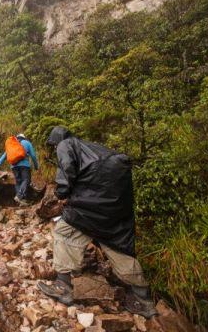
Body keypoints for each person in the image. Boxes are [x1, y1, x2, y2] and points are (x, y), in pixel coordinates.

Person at [37, 126, 157, 318]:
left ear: (57, 140)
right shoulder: (95, 147)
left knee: (64, 232)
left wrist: (62, 193)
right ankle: (144, 301)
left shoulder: (66, 144)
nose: (54, 148)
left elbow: (67, 168)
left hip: (91, 204)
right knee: (115, 244)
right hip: (117, 206)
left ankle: (63, 286)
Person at [0, 133, 38, 206]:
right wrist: (36, 166)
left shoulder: (13, 143)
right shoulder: (27, 143)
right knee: (26, 180)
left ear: (17, 138)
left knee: (18, 182)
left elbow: (5, 155)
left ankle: (21, 201)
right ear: (24, 138)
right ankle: (19, 196)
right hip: (24, 165)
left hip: (14, 166)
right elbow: (33, 155)